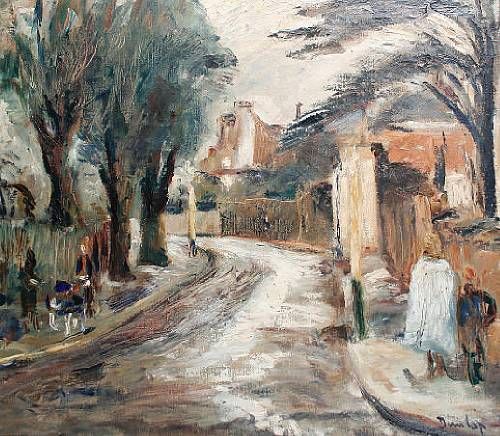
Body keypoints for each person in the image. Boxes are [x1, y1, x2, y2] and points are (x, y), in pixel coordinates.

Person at [19, 248, 43, 333]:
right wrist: (31, 284)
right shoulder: (25, 271)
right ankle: (30, 328)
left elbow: (34, 278)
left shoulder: (30, 270)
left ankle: (34, 327)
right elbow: (25, 281)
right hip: (27, 293)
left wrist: (39, 281)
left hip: (31, 293)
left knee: (30, 310)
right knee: (28, 310)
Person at [76, 244, 95, 318]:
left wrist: (89, 278)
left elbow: (90, 269)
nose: (83, 249)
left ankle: (89, 310)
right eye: (82, 248)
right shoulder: (79, 258)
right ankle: (84, 311)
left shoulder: (88, 258)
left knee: (89, 294)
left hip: (88, 278)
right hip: (82, 278)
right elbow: (78, 270)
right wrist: (80, 276)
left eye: (84, 247)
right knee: (83, 294)